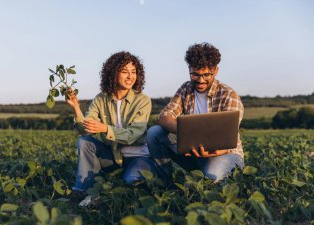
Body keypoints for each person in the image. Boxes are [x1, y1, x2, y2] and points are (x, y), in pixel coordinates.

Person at [147, 43, 244, 182]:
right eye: (195, 75)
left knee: (211, 177)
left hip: (224, 154)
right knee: (154, 133)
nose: (200, 80)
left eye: (206, 75)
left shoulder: (228, 94)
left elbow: (229, 140)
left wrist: (211, 151)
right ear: (189, 69)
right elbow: (164, 116)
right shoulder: (186, 88)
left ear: (215, 70)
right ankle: (165, 183)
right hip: (192, 152)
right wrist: (187, 133)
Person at [66, 51, 156, 194]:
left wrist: (105, 128)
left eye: (134, 72)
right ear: (113, 73)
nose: (130, 76)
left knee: (130, 183)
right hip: (113, 157)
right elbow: (85, 130)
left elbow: (133, 135)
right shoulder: (101, 99)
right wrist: (76, 108)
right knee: (85, 141)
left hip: (138, 157)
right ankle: (82, 190)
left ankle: (114, 182)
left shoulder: (143, 100)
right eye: (125, 72)